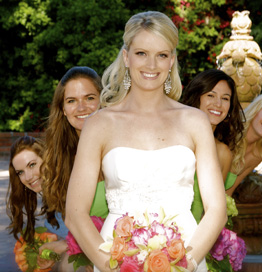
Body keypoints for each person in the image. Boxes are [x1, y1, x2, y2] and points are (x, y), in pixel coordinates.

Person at [65, 11, 227, 272]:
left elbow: (217, 209)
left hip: (184, 257)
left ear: (171, 60)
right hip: (115, 260)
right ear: (126, 57)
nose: (152, 65)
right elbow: (75, 213)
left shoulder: (196, 121)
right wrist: (113, 267)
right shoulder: (98, 124)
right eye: (142, 53)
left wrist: (186, 264)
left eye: (162, 55)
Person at [42, 66, 109, 224]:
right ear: (63, 109)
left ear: (102, 100)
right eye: (71, 101)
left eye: (90, 98)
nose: (81, 108)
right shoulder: (57, 158)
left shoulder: (120, 150)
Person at [181, 69, 244, 223]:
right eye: (211, 95)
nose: (218, 104)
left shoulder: (223, 153)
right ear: (197, 97)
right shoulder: (174, 138)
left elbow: (212, 212)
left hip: (194, 236)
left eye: (225, 98)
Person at [6, 136, 68, 270]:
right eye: (20, 172)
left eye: (32, 165)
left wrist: (62, 246)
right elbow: (67, 251)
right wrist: (53, 257)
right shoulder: (51, 199)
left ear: (46, 158)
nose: (27, 177)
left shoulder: (70, 189)